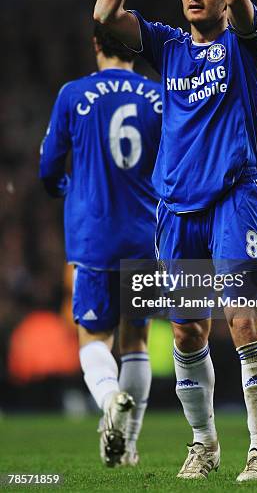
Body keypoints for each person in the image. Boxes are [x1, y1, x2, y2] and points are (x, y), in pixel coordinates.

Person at [94, 0, 257, 482]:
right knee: (185, 328)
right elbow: (103, 16)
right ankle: (204, 445)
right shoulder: (169, 47)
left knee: (245, 320)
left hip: (233, 199)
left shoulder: (249, 47)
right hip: (175, 209)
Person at [39, 24, 162, 467]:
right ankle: (126, 447)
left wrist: (67, 187)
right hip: (147, 235)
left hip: (94, 237)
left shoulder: (73, 94)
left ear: (95, 44)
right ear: (135, 46)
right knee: (137, 340)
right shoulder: (158, 96)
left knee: (93, 338)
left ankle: (110, 399)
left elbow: (49, 167)